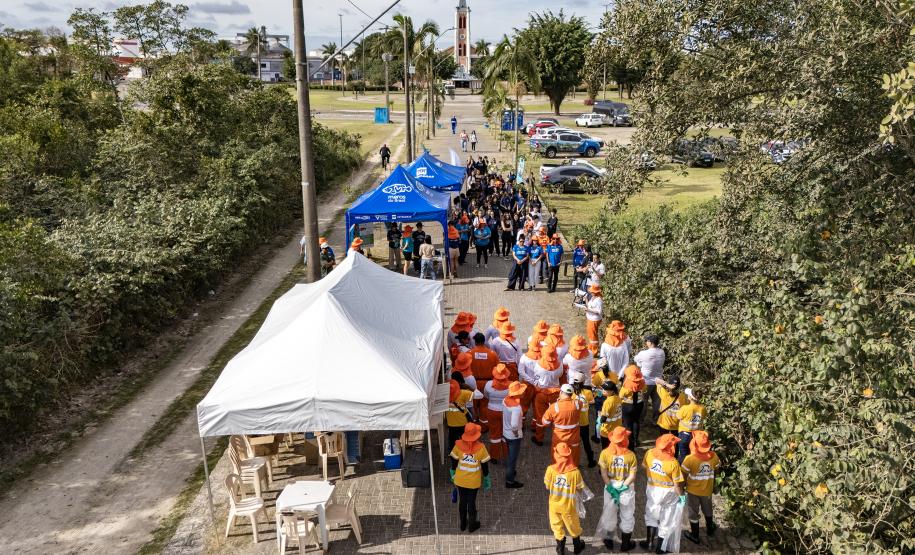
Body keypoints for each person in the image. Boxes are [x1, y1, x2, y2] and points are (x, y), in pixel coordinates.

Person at [596, 427, 638, 551]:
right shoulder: (631, 455)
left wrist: (611, 488)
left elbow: (603, 474)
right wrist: (622, 488)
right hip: (626, 487)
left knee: (609, 513)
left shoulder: (604, 453)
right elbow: (632, 476)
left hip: (610, 485)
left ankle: (609, 542)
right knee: (627, 514)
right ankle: (625, 544)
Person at [641, 435, 685, 553]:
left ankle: (649, 543)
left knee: (651, 514)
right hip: (668, 493)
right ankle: (660, 548)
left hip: (652, 489)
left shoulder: (649, 453)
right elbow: (677, 485)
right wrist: (682, 496)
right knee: (666, 518)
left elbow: (644, 466)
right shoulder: (673, 463)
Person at [544, 442, 588, 555]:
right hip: (569, 506)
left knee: (556, 526)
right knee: (573, 525)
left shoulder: (550, 470)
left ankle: (560, 549)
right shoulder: (575, 472)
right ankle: (577, 547)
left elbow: (547, 486)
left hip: (554, 505)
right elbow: (580, 487)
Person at [450, 422, 491, 533]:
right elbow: (484, 465)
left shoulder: (458, 445)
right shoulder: (481, 448)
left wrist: (452, 472)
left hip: (460, 480)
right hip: (473, 482)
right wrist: (486, 478)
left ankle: (463, 524)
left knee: (462, 500)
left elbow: (454, 461)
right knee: (471, 501)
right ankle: (472, 525)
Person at [681, 430, 720, 544]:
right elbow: (717, 470)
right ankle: (710, 529)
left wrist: (681, 490)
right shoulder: (714, 456)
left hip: (692, 491)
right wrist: (714, 484)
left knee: (693, 513)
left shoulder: (689, 459)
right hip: (707, 490)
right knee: (708, 509)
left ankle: (695, 535)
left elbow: (683, 477)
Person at [538, 372, 578, 456]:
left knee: (558, 457)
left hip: (559, 438)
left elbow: (545, 423)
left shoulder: (554, 407)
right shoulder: (578, 404)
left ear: (561, 392)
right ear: (571, 394)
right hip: (574, 438)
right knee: (574, 457)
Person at [634, 334, 666, 426]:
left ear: (651, 343)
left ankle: (641, 421)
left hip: (646, 381)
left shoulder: (644, 353)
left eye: (647, 341)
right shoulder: (662, 352)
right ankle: (655, 420)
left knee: (644, 401)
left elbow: (635, 359)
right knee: (657, 402)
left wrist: (640, 364)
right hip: (658, 381)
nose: (646, 342)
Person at [470, 333, 499, 427]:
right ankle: (484, 425)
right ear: (484, 341)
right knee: (484, 404)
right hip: (488, 383)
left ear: (475, 342)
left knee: (473, 403)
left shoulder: (469, 354)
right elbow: (498, 369)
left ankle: (473, 423)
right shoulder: (492, 354)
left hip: (473, 382)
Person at [483, 364, 511, 462]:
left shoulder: (488, 385)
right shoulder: (511, 386)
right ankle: (507, 455)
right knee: (506, 433)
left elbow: (486, 396)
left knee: (494, 434)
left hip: (492, 410)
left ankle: (494, 456)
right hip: (506, 411)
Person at [503, 380, 527, 488]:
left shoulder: (505, 400)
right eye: (522, 391)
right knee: (512, 458)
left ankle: (511, 471)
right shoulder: (516, 408)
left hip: (505, 432)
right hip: (513, 436)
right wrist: (516, 434)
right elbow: (514, 425)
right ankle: (510, 481)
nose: (524, 392)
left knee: (510, 455)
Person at [569, 371, 596, 468]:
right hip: (584, 422)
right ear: (583, 382)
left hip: (573, 422)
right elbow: (592, 401)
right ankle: (590, 461)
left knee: (573, 443)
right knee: (586, 442)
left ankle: (572, 462)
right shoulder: (588, 392)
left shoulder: (571, 392)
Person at [676, 388, 707, 463]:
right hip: (697, 436)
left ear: (690, 397)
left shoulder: (685, 408)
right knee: (694, 455)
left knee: (683, 455)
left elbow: (678, 416)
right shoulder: (703, 408)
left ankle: (682, 468)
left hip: (684, 435)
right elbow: (703, 417)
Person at [620, 364, 647, 447]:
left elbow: (621, 395)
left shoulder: (627, 384)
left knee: (627, 424)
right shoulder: (642, 382)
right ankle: (635, 440)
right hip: (639, 404)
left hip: (627, 406)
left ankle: (629, 441)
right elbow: (645, 390)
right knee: (636, 421)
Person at [517, 338, 542, 417]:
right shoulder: (543, 357)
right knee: (537, 405)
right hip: (539, 384)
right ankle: (536, 422)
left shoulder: (524, 357)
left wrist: (531, 380)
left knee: (524, 404)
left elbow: (521, 371)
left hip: (527, 384)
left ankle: (522, 420)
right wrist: (536, 381)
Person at [597, 381, 623, 449]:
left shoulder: (608, 402)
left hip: (607, 430)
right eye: (603, 388)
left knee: (606, 449)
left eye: (605, 389)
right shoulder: (618, 398)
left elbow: (603, 420)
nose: (603, 390)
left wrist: (600, 415)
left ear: (612, 391)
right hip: (616, 428)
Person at [585, 283, 604, 355]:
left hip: (594, 320)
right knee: (590, 334)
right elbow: (590, 306)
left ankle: (594, 351)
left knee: (593, 336)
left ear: (596, 292)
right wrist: (586, 300)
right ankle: (591, 347)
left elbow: (599, 312)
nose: (590, 292)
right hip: (590, 319)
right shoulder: (593, 297)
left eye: (592, 291)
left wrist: (589, 310)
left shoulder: (599, 300)